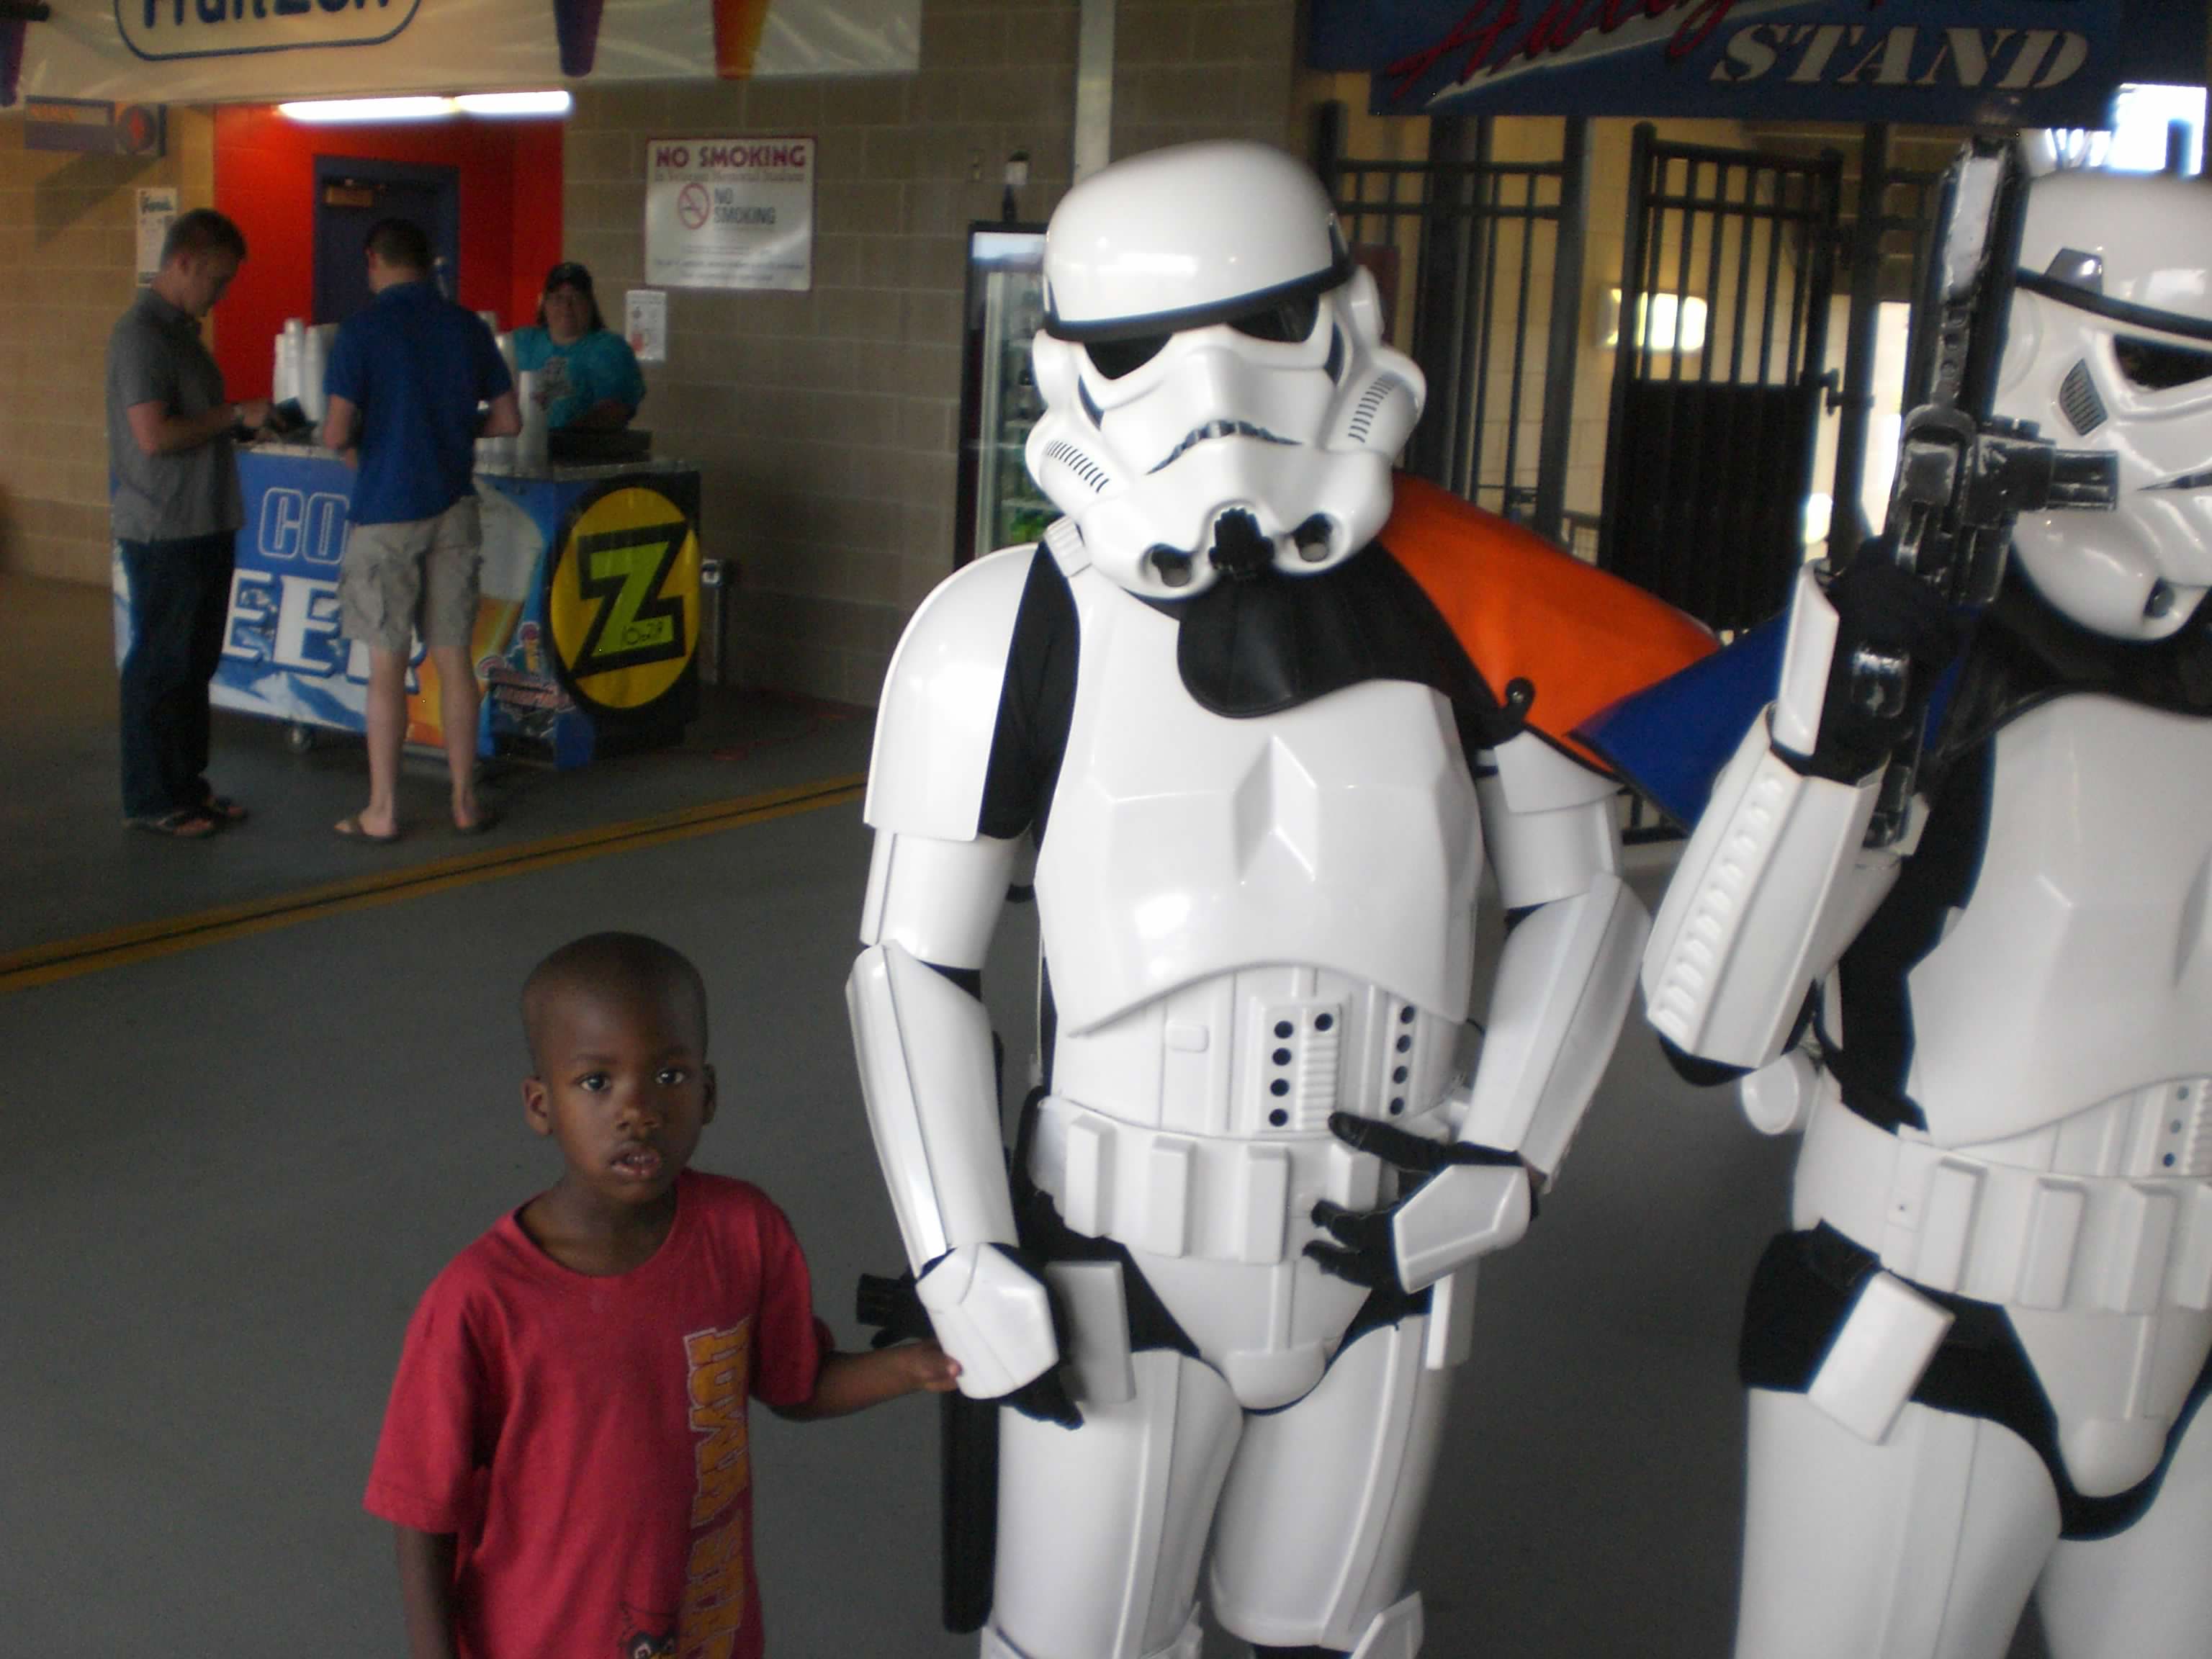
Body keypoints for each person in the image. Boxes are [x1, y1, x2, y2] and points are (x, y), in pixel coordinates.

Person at [846, 141, 1712, 1659]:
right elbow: (908, 963)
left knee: (1339, 1631)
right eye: (1144, 348)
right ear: (1069, 373)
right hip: (1116, 1244)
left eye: (1263, 325)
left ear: (1345, 323)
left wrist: (1507, 1155)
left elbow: (1583, 902)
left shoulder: (1474, 605)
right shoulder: (1003, 629)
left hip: (1384, 1241)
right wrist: (959, 1250)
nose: (1214, 391)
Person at [1635, 156, 2212, 1658]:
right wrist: (1831, 731)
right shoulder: (1928, 663)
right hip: (1932, 1308)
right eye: (2178, 367)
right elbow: (1705, 1025)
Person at [365, 931, 959, 1659]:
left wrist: (915, 1367)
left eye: (670, 1076)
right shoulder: (478, 1302)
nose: (639, 1110)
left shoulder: (743, 1231)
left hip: (704, 1628)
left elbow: (796, 1384)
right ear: (541, 1104)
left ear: (708, 1094)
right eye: (596, 1082)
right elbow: (422, 1513)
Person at [322, 217, 521, 842]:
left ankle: (382, 811)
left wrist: (362, 451)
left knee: (386, 666)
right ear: (428, 261)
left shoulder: (361, 332)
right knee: (454, 658)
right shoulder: (467, 327)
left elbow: (335, 432)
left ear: (373, 260)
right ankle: (464, 801)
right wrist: (456, 430)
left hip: (386, 514)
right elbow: (509, 420)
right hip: (454, 509)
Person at [107, 207, 271, 840]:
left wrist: (238, 422)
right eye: (218, 279)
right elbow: (153, 436)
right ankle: (151, 796)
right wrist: (232, 415)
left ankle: (187, 787)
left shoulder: (183, 336)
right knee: (162, 664)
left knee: (193, 664)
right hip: (165, 526)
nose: (221, 293)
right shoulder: (141, 337)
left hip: (204, 520)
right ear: (184, 263)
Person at [511, 261, 646, 431]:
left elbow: (615, 410)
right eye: (558, 298)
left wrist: (563, 437)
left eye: (575, 298)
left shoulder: (610, 349)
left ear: (590, 304)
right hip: (526, 443)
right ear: (544, 304)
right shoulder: (523, 342)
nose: (566, 306)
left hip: (585, 447)